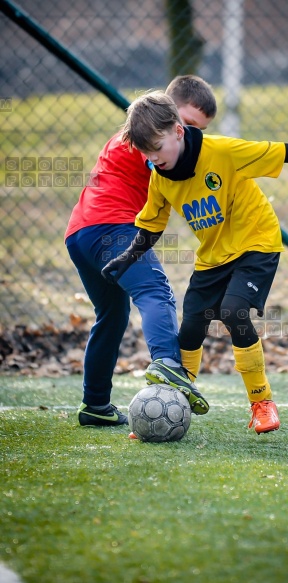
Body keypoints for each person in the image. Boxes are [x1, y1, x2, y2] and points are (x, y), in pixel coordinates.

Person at [101, 91, 288, 435]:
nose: (153, 158)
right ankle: (175, 398)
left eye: (157, 148)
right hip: (213, 256)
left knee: (233, 311)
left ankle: (262, 403)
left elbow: (285, 151)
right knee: (190, 328)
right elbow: (151, 224)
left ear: (177, 131)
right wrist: (127, 258)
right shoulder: (160, 177)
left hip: (256, 243)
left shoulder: (223, 152)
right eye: (146, 153)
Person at [65, 76, 217, 427]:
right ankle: (166, 361)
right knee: (154, 290)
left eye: (199, 129)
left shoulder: (138, 134)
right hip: (111, 229)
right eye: (189, 124)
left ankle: (95, 405)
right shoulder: (150, 140)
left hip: (81, 234)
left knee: (112, 315)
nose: (191, 134)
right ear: (169, 110)